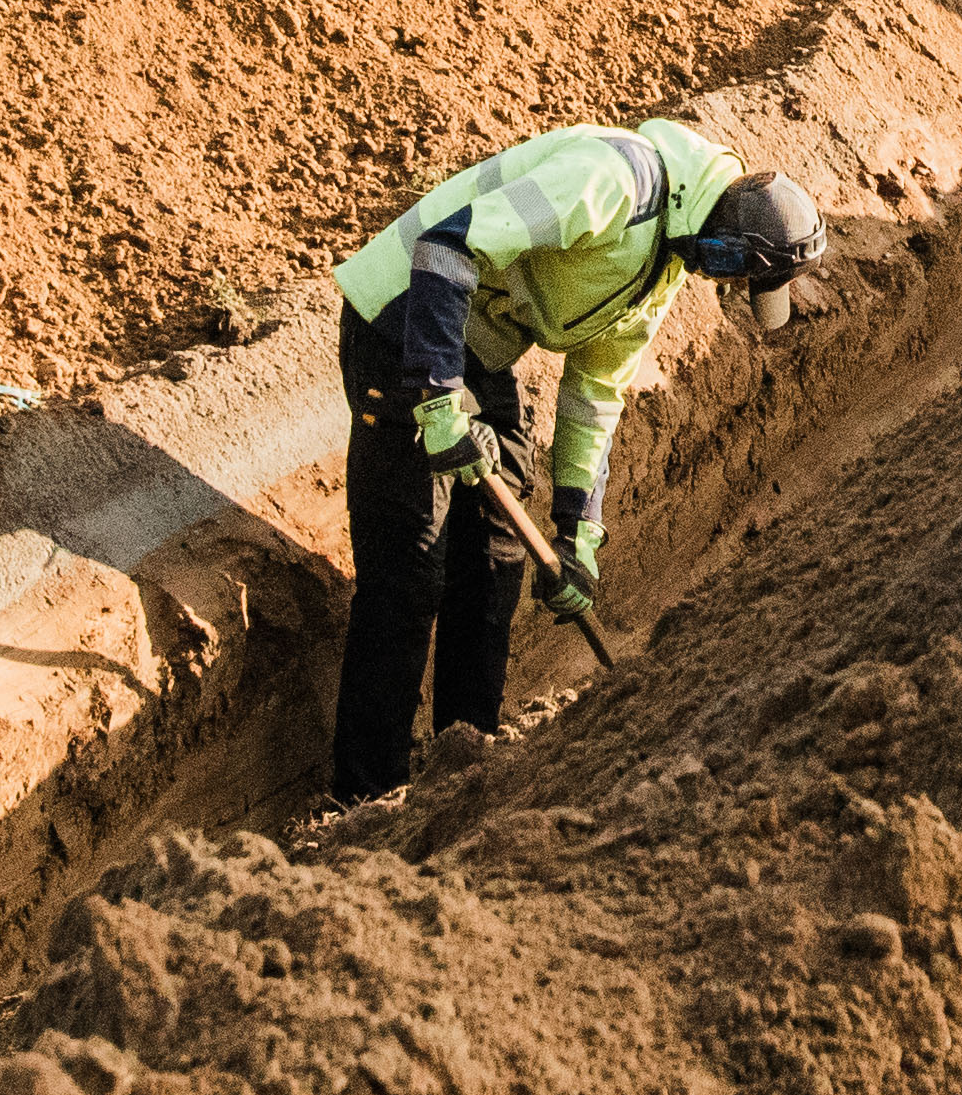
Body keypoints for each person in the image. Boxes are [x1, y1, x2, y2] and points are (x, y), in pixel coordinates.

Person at [325, 118, 826, 800]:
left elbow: (595, 396)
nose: (726, 286)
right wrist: (438, 402)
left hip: (481, 345)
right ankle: (364, 798)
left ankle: (461, 773)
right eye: (735, 275)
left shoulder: (664, 265)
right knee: (411, 570)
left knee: (497, 558)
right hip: (405, 317)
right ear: (727, 246)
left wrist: (576, 536)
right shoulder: (611, 182)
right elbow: (446, 248)